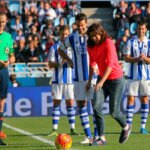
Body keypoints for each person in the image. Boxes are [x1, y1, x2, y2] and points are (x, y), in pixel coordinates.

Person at [86, 23, 131, 146]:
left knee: (114, 112)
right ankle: (101, 138)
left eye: (95, 35)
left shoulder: (108, 43)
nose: (94, 38)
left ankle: (126, 126)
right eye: (91, 36)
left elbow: (110, 65)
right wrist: (90, 81)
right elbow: (92, 64)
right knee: (96, 106)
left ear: (101, 33)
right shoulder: (90, 46)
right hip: (102, 79)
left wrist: (100, 82)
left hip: (116, 80)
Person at [58, 13, 92, 144]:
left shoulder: (92, 36)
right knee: (81, 105)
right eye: (78, 26)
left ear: (86, 24)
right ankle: (88, 136)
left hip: (91, 76)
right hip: (77, 78)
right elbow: (60, 50)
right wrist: (69, 60)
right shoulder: (71, 38)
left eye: (83, 25)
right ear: (75, 25)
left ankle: (99, 136)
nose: (81, 28)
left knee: (95, 106)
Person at [48, 25, 78, 136]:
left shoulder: (73, 48)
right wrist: (60, 63)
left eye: (66, 34)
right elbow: (50, 64)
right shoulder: (54, 48)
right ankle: (54, 129)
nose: (64, 36)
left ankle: (72, 128)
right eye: (62, 34)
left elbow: (77, 63)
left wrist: (70, 62)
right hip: (57, 80)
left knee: (70, 103)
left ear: (69, 34)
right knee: (56, 103)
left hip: (70, 81)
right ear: (59, 35)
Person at [123, 22, 150, 134]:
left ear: (146, 29)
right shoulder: (130, 42)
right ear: (136, 29)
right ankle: (128, 126)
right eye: (139, 28)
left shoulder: (149, 42)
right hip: (132, 76)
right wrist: (136, 59)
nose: (141, 31)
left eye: (143, 29)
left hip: (145, 76)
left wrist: (145, 59)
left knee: (144, 99)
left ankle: (142, 127)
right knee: (130, 99)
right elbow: (126, 58)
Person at [0, 12, 15, 146]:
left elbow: (12, 55)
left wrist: (9, 61)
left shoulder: (8, 37)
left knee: (2, 103)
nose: (1, 24)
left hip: (4, 71)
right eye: (0, 21)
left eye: (3, 22)